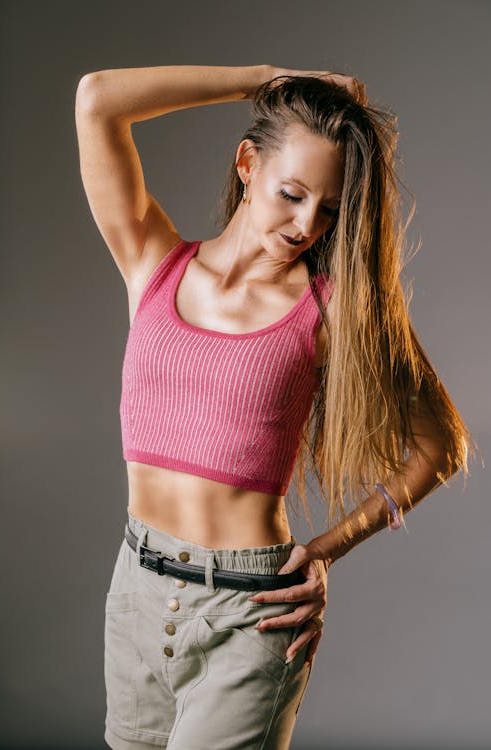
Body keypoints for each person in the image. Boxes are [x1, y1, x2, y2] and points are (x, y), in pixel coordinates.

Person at [75, 64, 474, 750]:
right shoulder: (153, 261)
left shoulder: (333, 310)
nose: (307, 224)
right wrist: (265, 80)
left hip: (249, 615)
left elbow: (442, 448)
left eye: (329, 209)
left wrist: (325, 552)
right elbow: (97, 100)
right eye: (291, 194)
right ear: (247, 163)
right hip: (135, 597)